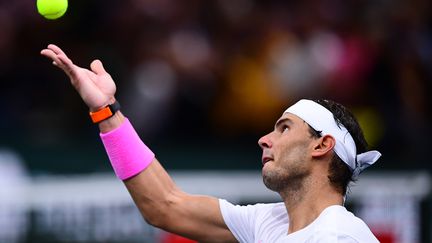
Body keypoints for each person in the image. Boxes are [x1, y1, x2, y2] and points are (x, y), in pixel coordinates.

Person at [41, 44, 382, 243]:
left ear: (320, 146)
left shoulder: (340, 236)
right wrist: (105, 111)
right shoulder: (270, 224)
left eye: (284, 128)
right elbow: (165, 205)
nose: (265, 138)